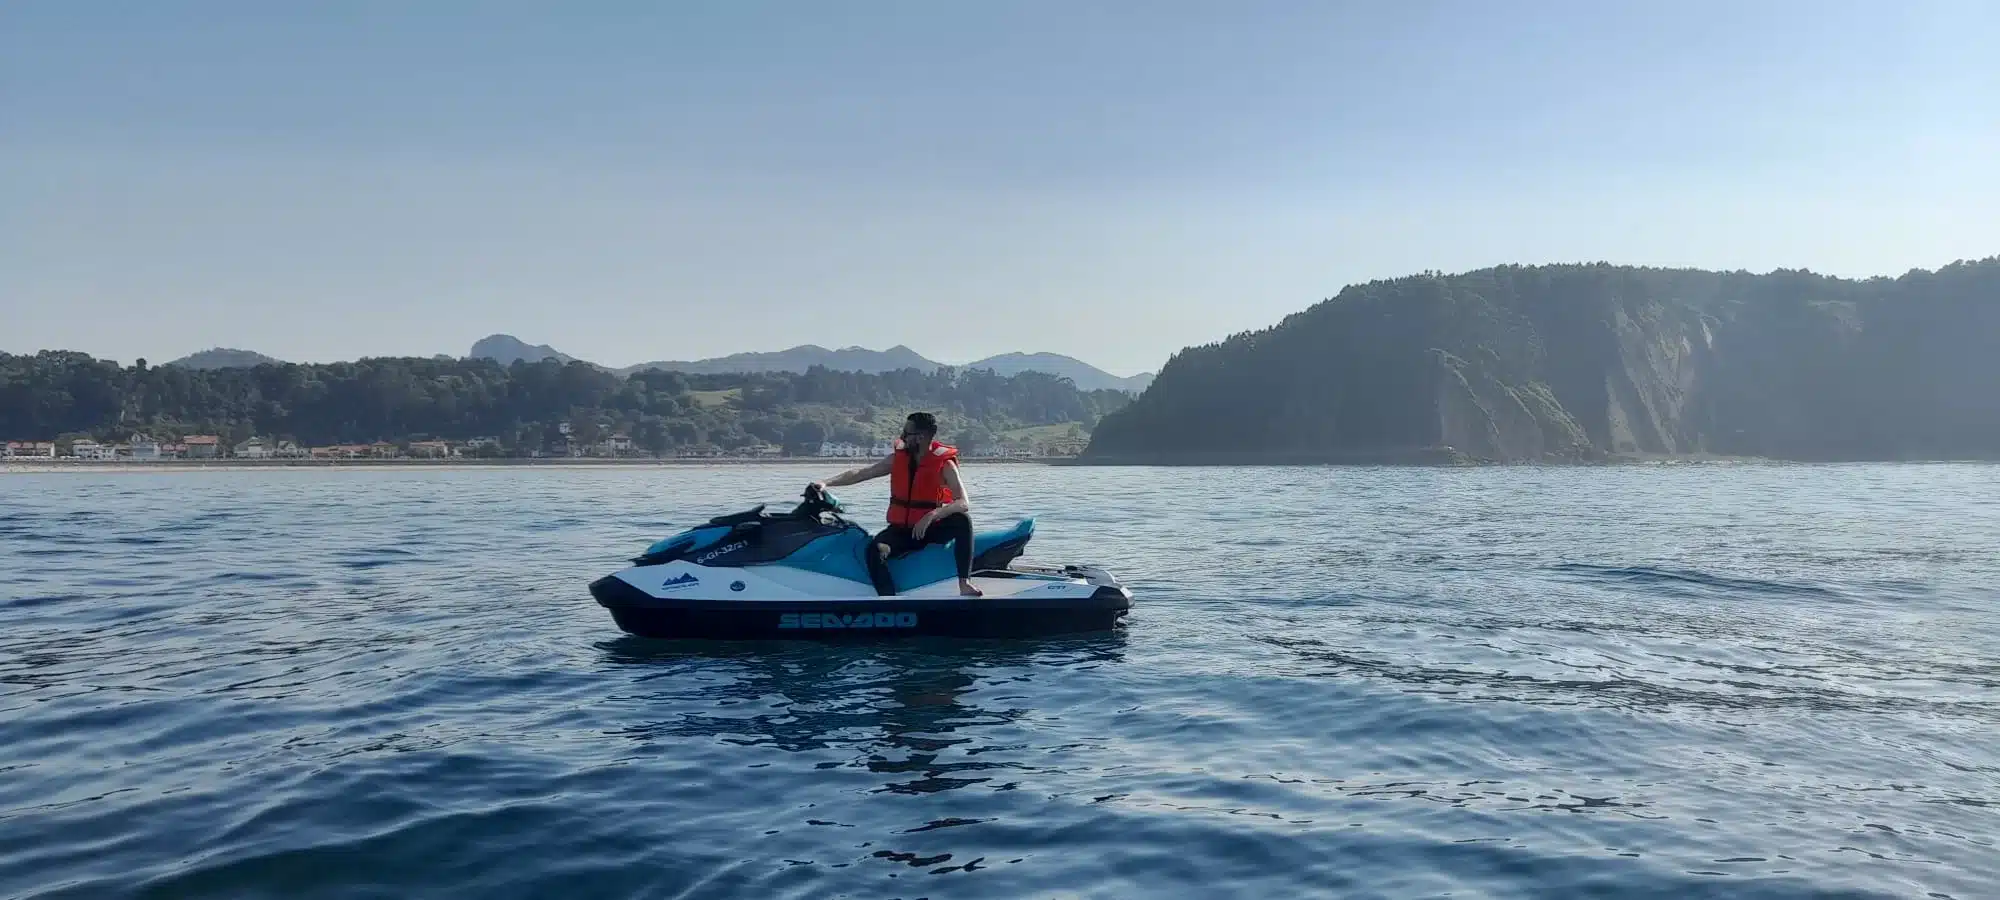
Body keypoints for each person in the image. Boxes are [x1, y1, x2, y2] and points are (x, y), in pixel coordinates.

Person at [813, 412, 983, 597]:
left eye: (907, 432)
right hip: (901, 532)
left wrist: (933, 515)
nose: (902, 436)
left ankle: (964, 583)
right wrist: (825, 483)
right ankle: (888, 598)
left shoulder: (945, 465)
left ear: (921, 436)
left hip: (930, 528)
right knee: (874, 550)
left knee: (962, 520)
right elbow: (861, 473)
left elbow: (963, 503)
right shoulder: (897, 459)